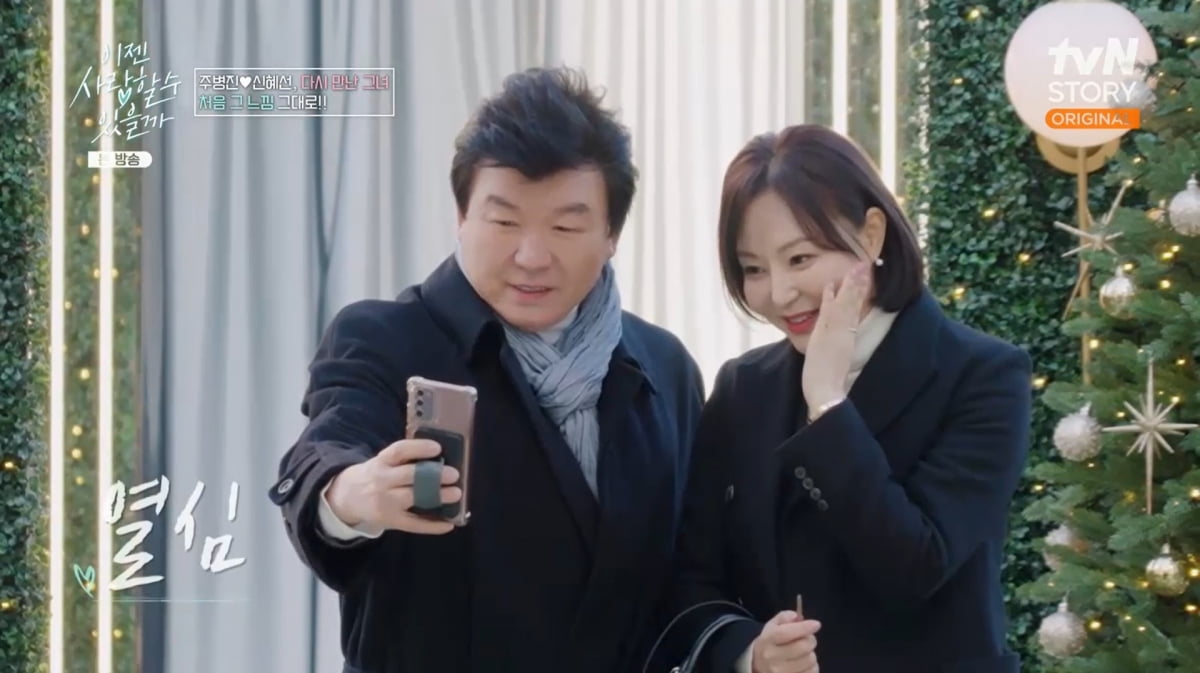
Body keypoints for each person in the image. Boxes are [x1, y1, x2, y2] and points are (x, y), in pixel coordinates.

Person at [268, 66, 706, 673]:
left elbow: (691, 570)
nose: (531, 256)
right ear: (462, 216)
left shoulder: (664, 368)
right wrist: (350, 494)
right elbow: (329, 444)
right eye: (503, 221)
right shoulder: (385, 339)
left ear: (611, 234)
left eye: (565, 226)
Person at [649, 125, 1032, 673]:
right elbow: (693, 578)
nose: (779, 293)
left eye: (800, 259)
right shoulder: (743, 387)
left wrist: (827, 405)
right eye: (754, 269)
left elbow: (917, 565)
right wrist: (750, 652)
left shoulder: (982, 374)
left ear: (871, 235)